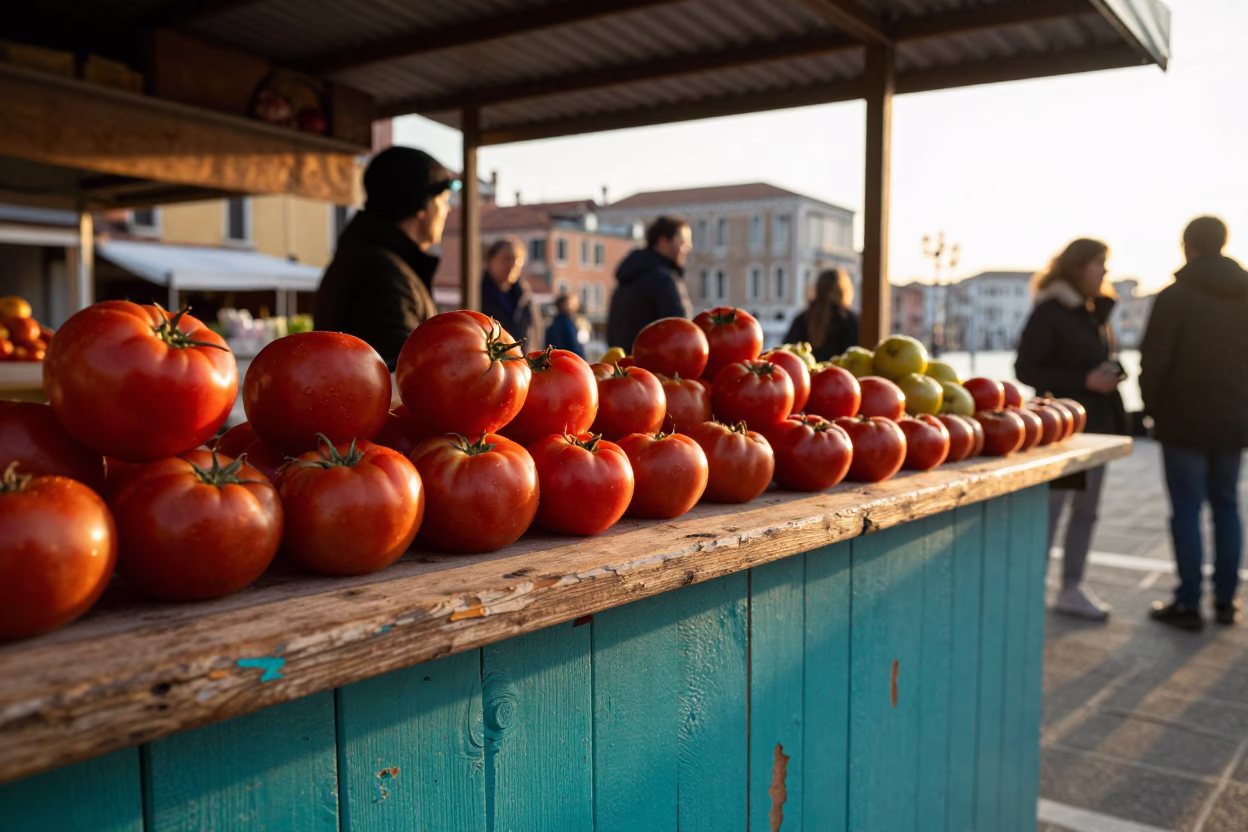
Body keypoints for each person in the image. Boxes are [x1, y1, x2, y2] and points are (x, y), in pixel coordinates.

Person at [1140, 217, 1248, 630]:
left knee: (1186, 508)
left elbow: (1154, 361)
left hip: (1183, 419)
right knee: (1227, 505)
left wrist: (1153, 409)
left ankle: (1188, 602)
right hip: (1234, 418)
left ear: (1189, 247)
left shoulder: (1175, 297)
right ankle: (1226, 599)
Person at [1016, 238, 1128, 621]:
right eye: (1100, 264)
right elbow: (1026, 369)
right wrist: (1085, 380)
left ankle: (1071, 586)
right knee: (1053, 511)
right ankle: (1034, 587)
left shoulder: (1095, 312)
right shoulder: (1051, 310)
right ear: (1079, 267)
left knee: (1087, 511)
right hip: (1062, 430)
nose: (1105, 272)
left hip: (1098, 426)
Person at [314, 146, 455, 370]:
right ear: (422, 205)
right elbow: (404, 375)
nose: (447, 210)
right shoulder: (382, 275)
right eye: (444, 199)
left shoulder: (365, 256)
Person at [606, 216, 693, 351]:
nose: (688, 247)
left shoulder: (627, 277)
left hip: (621, 366)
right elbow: (682, 333)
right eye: (682, 242)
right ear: (663, 242)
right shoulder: (664, 280)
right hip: (655, 368)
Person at [479, 238, 544, 350]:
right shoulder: (476, 296)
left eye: (517, 260)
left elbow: (536, 337)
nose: (512, 265)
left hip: (522, 365)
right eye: (506, 258)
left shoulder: (527, 300)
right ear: (490, 260)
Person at [784, 269, 859, 361]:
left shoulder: (802, 319)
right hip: (840, 374)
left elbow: (786, 351)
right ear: (844, 290)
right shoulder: (850, 320)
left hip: (806, 374)